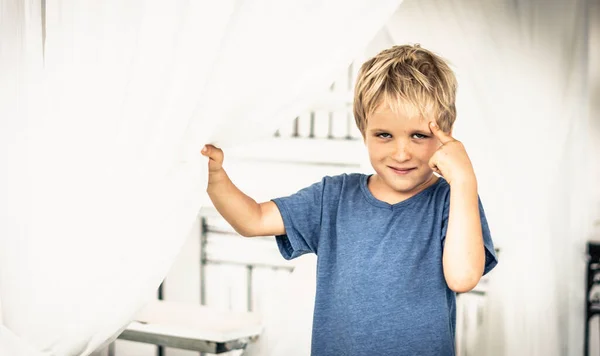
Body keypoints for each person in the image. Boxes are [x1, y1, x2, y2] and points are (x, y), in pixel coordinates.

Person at [201, 44, 498, 356]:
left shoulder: (451, 200)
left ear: (446, 134)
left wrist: (464, 179)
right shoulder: (334, 197)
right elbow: (254, 220)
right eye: (384, 135)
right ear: (363, 129)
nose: (401, 153)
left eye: (418, 135)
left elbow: (463, 277)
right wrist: (215, 177)